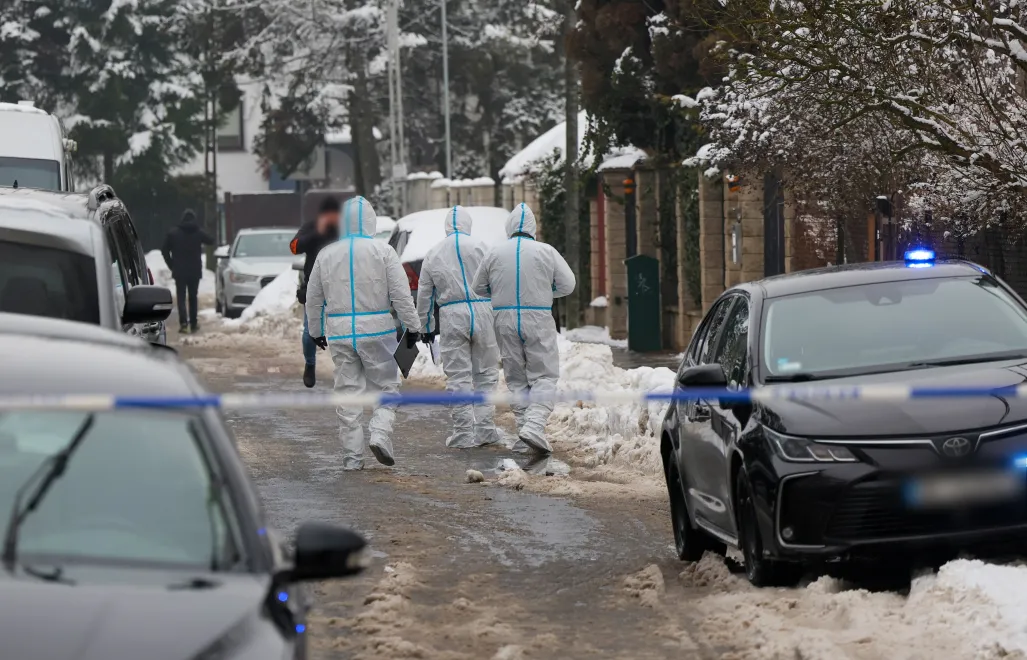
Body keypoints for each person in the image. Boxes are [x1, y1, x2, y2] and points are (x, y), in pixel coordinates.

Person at [305, 196, 420, 470]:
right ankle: (379, 433)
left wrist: (316, 331)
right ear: (371, 221)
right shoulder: (384, 252)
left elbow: (313, 298)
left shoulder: (326, 254)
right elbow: (401, 295)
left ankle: (352, 458)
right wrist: (413, 326)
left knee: (348, 394)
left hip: (340, 332)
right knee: (386, 387)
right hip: (378, 330)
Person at [471, 202, 575, 454]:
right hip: (537, 316)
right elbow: (568, 284)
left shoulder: (494, 253)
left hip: (504, 318)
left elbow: (478, 287)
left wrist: (500, 293)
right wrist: (545, 291)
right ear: (533, 228)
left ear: (509, 227)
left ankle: (524, 429)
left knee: (516, 376)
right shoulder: (546, 251)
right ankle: (534, 426)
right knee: (544, 375)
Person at [416, 206, 501, 449]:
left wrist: (426, 326)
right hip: (484, 311)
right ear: (468, 224)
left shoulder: (433, 253)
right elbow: (497, 280)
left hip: (452, 315)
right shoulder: (482, 246)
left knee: (458, 376)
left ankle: (462, 433)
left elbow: (425, 294)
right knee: (486, 373)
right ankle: (485, 429)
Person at [291, 197, 341, 388]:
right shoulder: (312, 227)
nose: (331, 218)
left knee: (342, 329)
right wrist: (317, 233)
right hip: (314, 287)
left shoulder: (344, 231)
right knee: (309, 331)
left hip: (340, 287)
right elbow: (294, 247)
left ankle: (345, 368)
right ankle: (310, 364)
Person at [161, 209, 213, 334]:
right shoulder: (198, 232)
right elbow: (211, 240)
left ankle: (183, 324)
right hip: (194, 271)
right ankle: (194, 324)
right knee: (193, 297)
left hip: (179, 271)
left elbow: (164, 250)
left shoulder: (173, 233)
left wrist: (172, 265)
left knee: (181, 297)